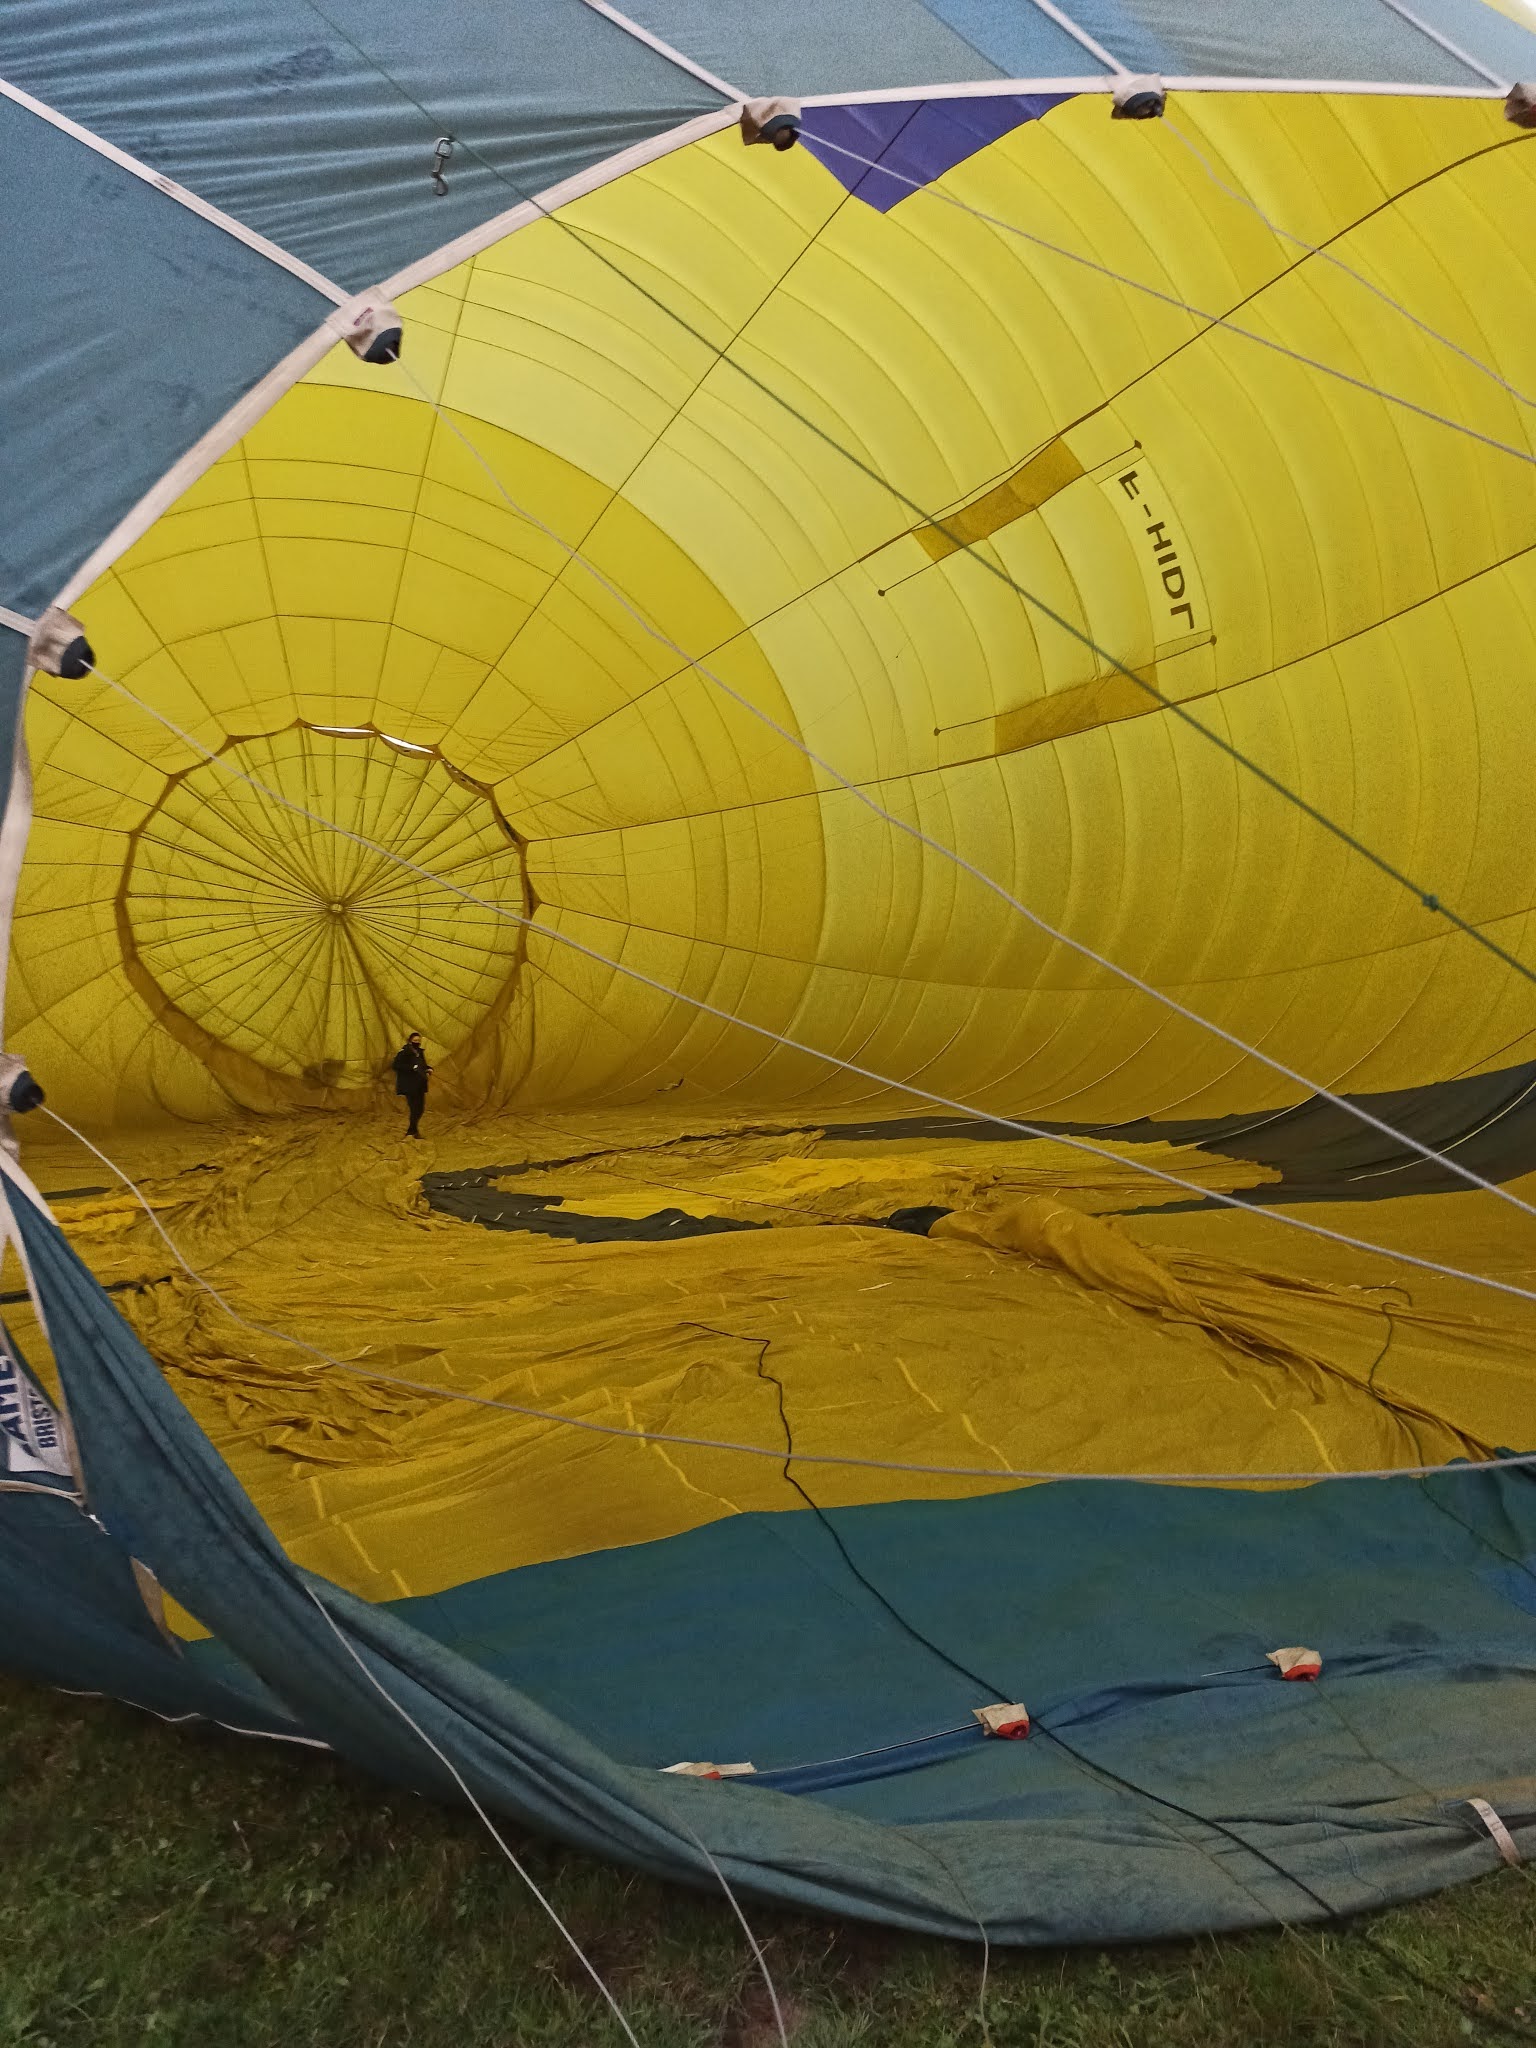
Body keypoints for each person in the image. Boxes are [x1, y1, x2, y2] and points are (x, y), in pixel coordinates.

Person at [392, 1032, 431, 1138]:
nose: (417, 1042)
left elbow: (422, 1065)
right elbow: (395, 1065)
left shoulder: (419, 1052)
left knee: (420, 1109)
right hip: (409, 1085)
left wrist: (428, 1068)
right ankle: (412, 1131)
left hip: (420, 1085)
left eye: (418, 1041)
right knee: (414, 1108)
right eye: (415, 1040)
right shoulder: (404, 1052)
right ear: (410, 1041)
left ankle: (412, 1130)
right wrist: (411, 1067)